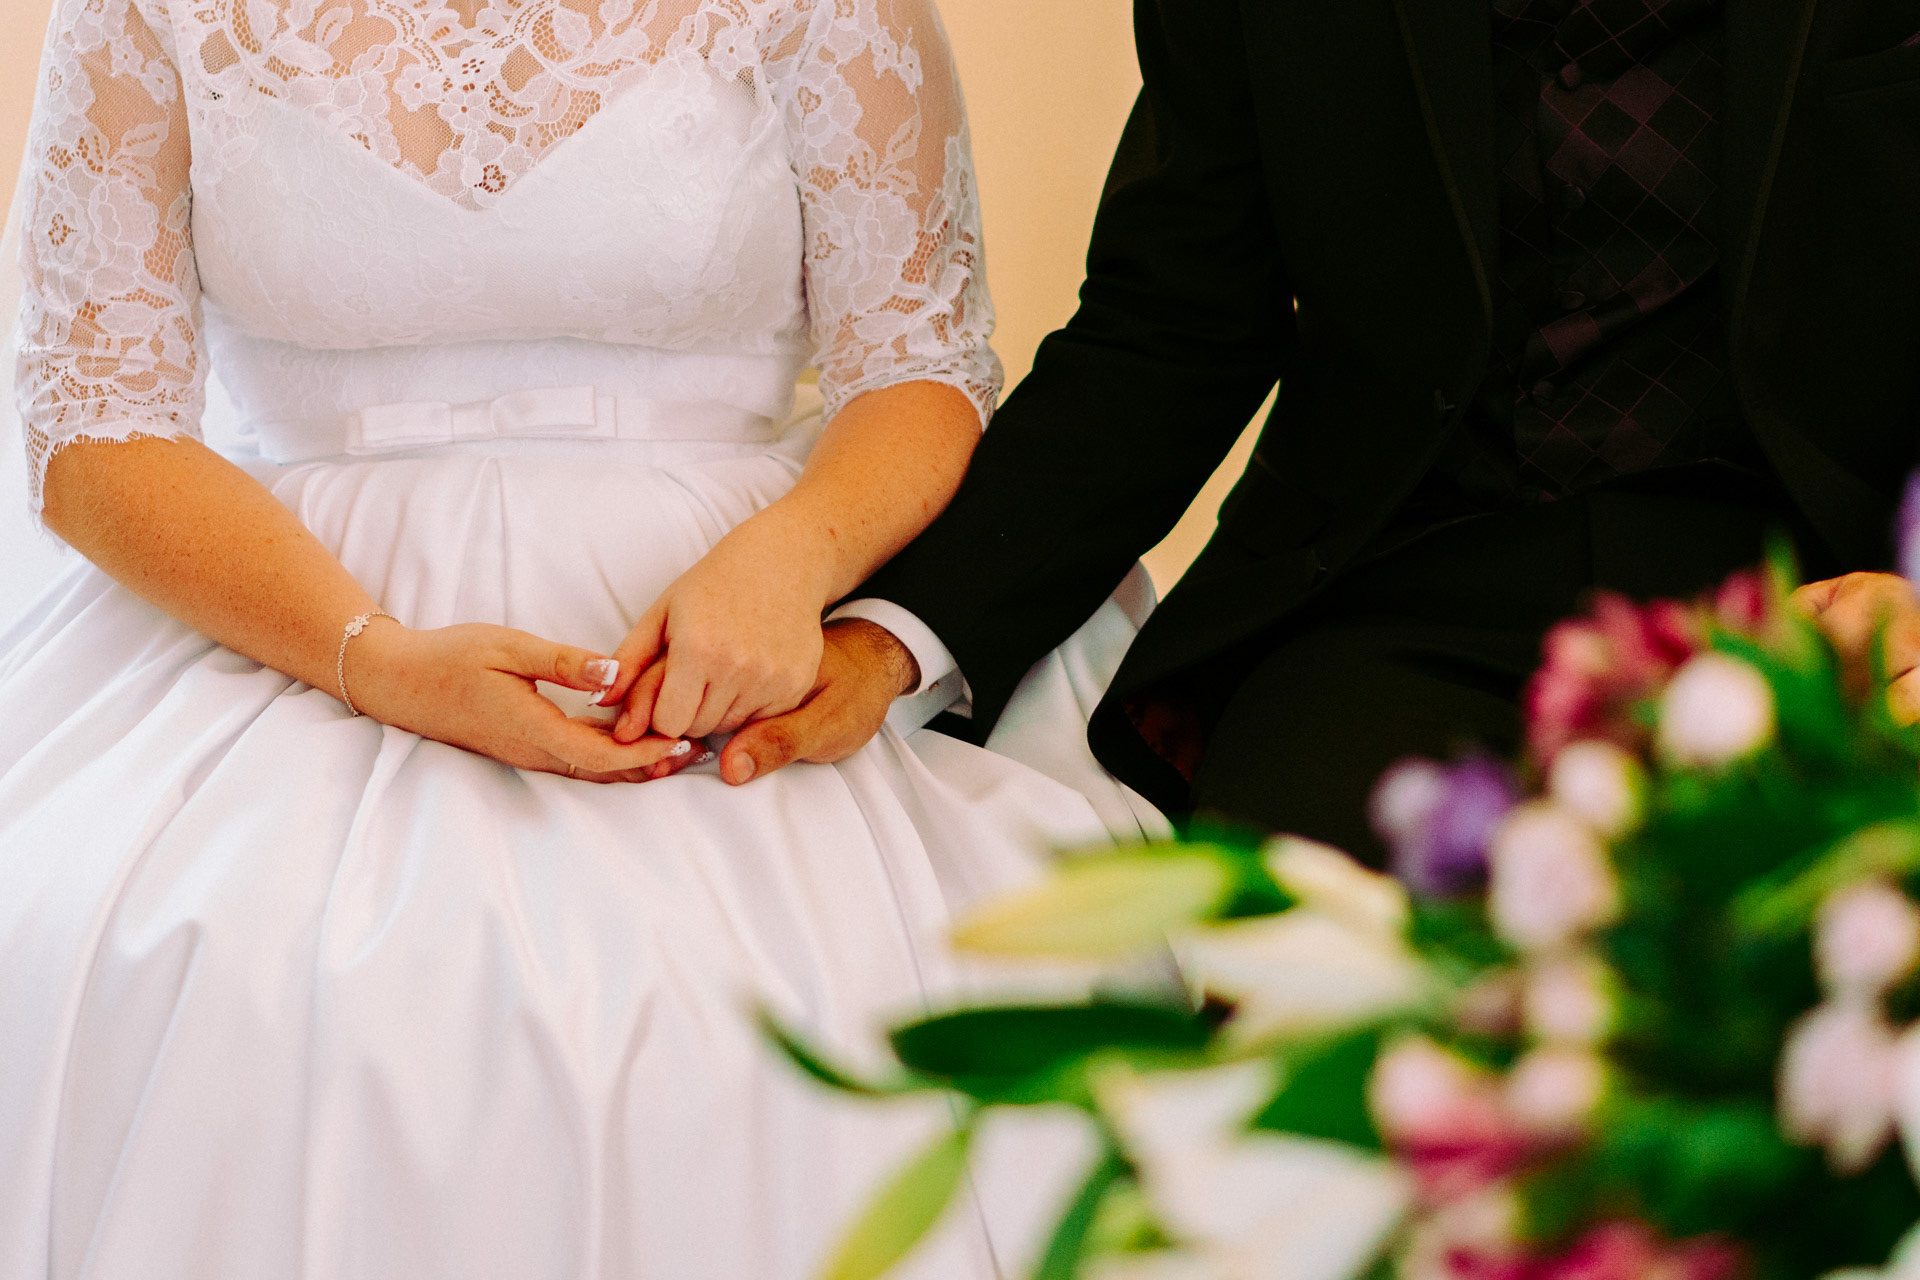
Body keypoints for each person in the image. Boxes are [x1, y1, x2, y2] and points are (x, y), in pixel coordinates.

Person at [0, 0, 1141, 1273]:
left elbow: (920, 366)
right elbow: (92, 419)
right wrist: (366, 653)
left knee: (848, 983)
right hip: (282, 601)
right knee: (195, 961)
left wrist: (801, 555)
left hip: (729, 600)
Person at [724, 0, 1920, 866]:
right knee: (1295, 1054)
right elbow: (1174, 323)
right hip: (1405, 591)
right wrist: (895, 639)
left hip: (1828, 591)